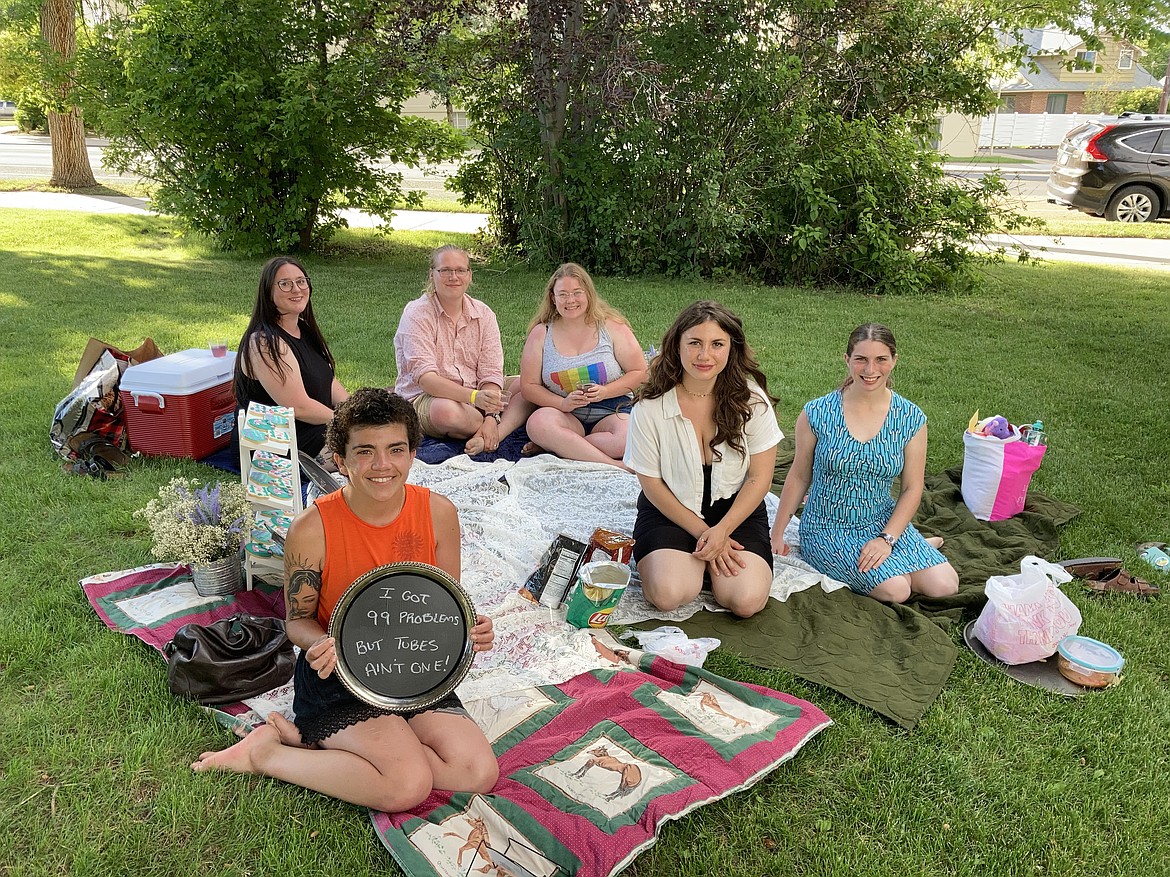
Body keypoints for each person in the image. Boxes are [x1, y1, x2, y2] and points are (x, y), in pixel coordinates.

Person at [192, 388, 499, 812]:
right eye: (365, 452)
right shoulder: (312, 527)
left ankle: (328, 748)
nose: (382, 465)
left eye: (395, 449)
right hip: (339, 673)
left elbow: (443, 604)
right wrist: (318, 643)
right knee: (406, 786)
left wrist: (471, 628)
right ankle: (266, 754)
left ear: (413, 453)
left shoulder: (438, 513)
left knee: (477, 772)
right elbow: (297, 621)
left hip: (413, 668)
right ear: (340, 459)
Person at [770, 323, 959, 604]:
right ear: (847, 360)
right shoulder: (817, 413)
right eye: (861, 359)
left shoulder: (910, 418)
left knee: (945, 585)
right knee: (897, 589)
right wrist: (777, 534)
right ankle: (904, 558)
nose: (870, 370)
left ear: (894, 360)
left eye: (881, 359)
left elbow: (912, 488)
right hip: (827, 525)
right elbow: (798, 476)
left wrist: (887, 538)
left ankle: (906, 549)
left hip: (880, 521)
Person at [623, 301, 783, 618]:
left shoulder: (751, 400)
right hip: (671, 508)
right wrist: (703, 533)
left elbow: (759, 478)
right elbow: (652, 484)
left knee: (746, 601)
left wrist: (722, 532)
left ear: (731, 348)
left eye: (716, 344)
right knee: (668, 594)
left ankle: (707, 564)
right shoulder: (651, 406)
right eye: (694, 342)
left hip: (735, 510)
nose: (704, 355)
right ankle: (691, 561)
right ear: (677, 346)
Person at [393, 245, 532, 456]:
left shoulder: (483, 314)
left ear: (469, 275)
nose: (453, 277)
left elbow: (491, 372)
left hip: (478, 395)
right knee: (447, 413)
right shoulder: (417, 313)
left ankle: (489, 433)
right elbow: (426, 379)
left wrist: (489, 415)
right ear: (432, 275)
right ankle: (491, 427)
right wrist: (476, 398)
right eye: (445, 270)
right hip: (429, 398)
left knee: (529, 384)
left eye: (460, 270)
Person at [518, 263, 646, 468]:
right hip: (565, 412)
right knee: (538, 424)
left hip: (612, 408)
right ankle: (615, 465)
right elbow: (528, 387)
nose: (570, 300)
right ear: (553, 298)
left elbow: (640, 373)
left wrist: (605, 391)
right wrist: (562, 404)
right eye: (563, 294)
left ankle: (561, 448)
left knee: (624, 439)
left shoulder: (611, 327)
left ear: (588, 293)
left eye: (577, 293)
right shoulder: (541, 333)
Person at [233, 256, 348, 459]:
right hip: (272, 443)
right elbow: (298, 407)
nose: (296, 289)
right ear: (268, 292)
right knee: (364, 447)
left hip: (311, 429)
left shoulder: (303, 328)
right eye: (285, 284)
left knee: (378, 432)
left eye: (301, 281)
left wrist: (358, 410)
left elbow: (328, 382)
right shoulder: (264, 343)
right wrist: (349, 421)